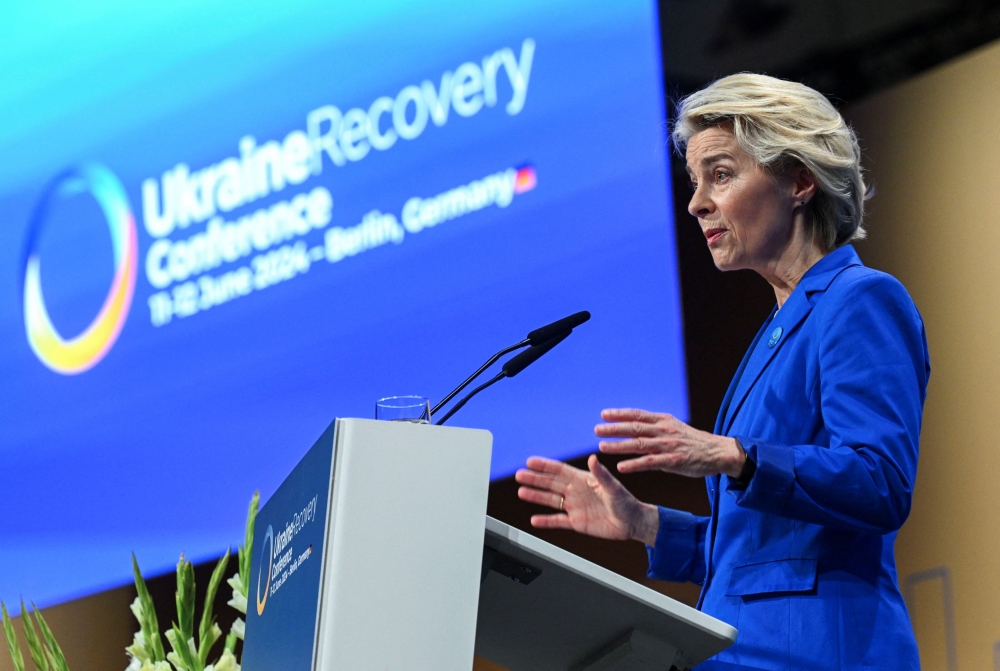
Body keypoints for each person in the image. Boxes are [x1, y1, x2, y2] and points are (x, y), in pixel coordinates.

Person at [515, 73, 929, 670]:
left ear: (799, 181)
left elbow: (880, 483)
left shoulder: (859, 300)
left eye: (722, 174)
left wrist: (735, 455)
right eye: (696, 181)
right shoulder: (778, 330)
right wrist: (645, 523)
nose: (697, 203)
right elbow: (763, 556)